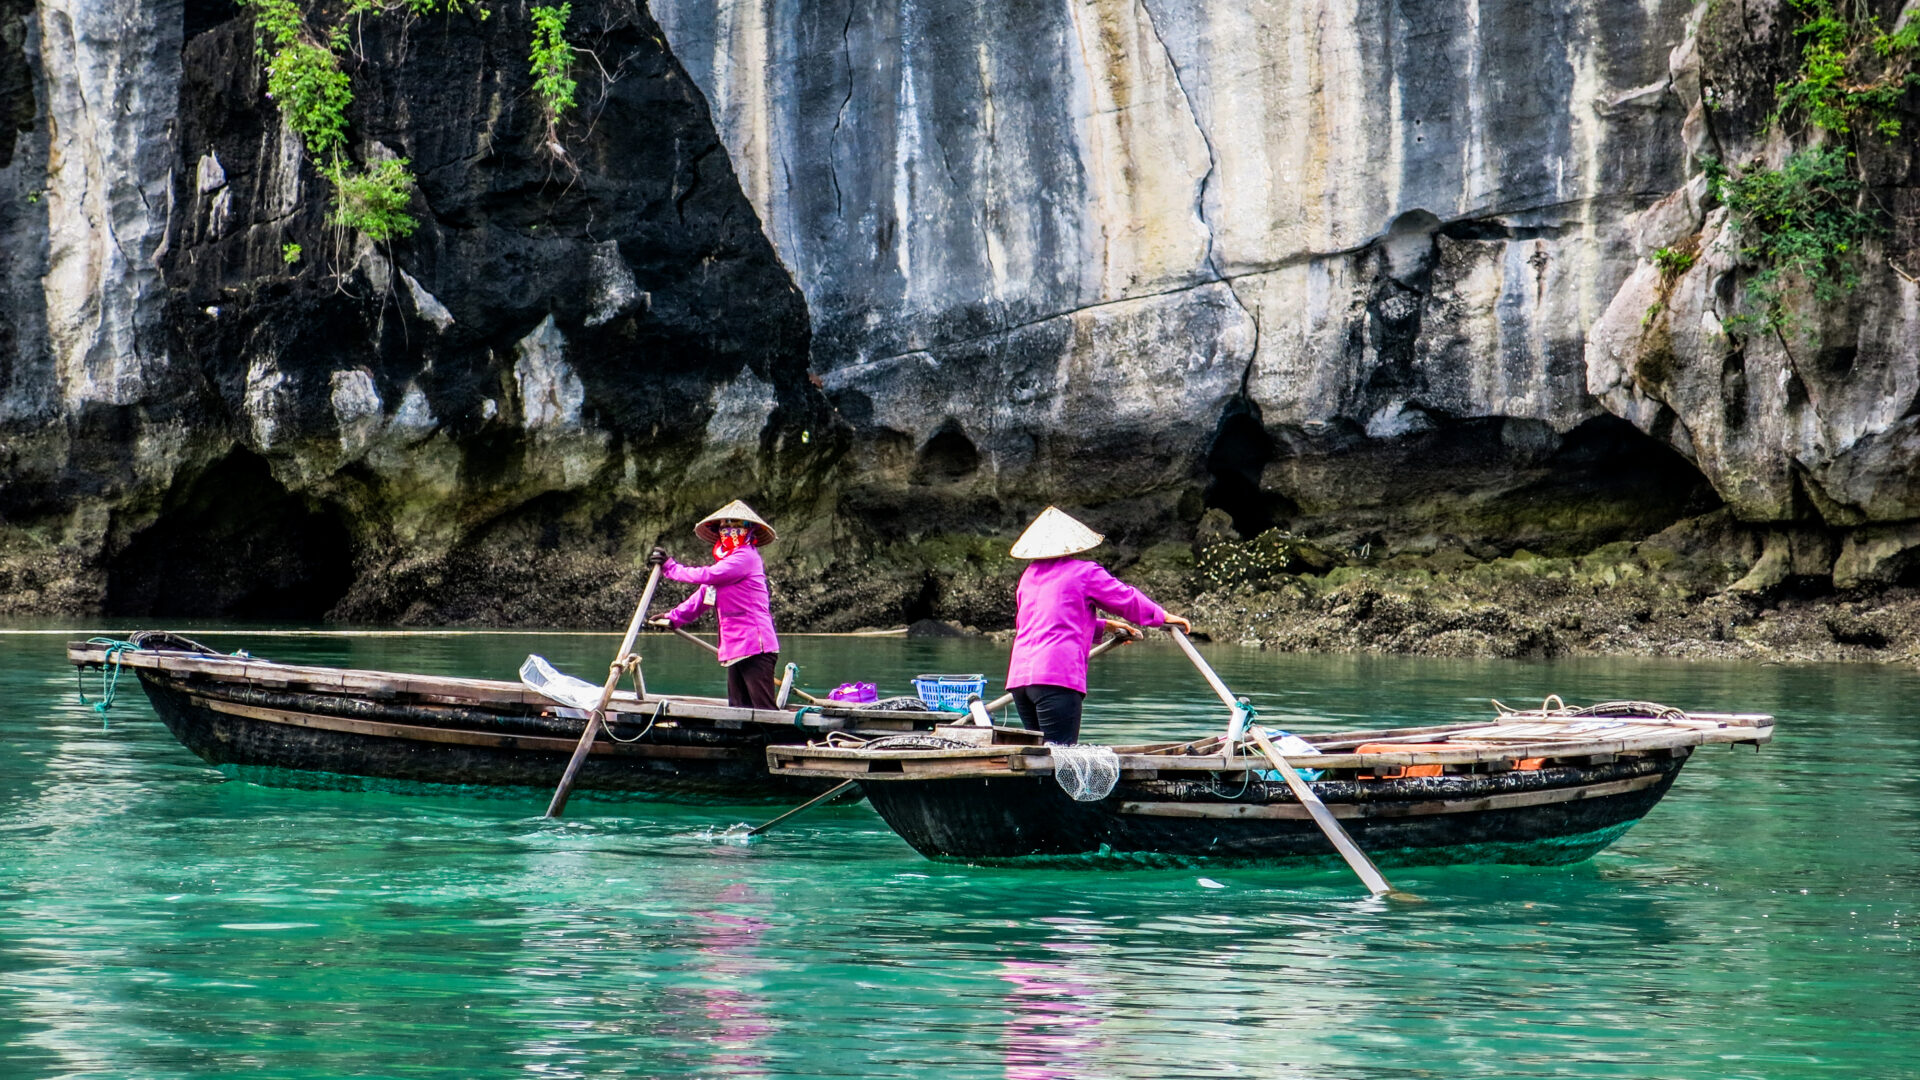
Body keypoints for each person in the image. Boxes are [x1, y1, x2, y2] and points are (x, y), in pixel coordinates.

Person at [1004, 506, 1192, 744]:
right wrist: (1161, 616)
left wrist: (1105, 626)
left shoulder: (1028, 577)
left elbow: (1044, 623)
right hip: (1056, 678)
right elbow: (1125, 599)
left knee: (1039, 755)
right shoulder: (1084, 573)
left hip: (1020, 681)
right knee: (1060, 757)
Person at [647, 500, 782, 710]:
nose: (729, 530)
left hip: (755, 646)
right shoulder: (726, 565)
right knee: (738, 709)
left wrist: (671, 567)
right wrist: (672, 618)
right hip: (735, 647)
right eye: (724, 526)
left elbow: (709, 575)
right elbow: (702, 598)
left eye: (735, 525)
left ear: (748, 529)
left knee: (763, 710)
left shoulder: (745, 557)